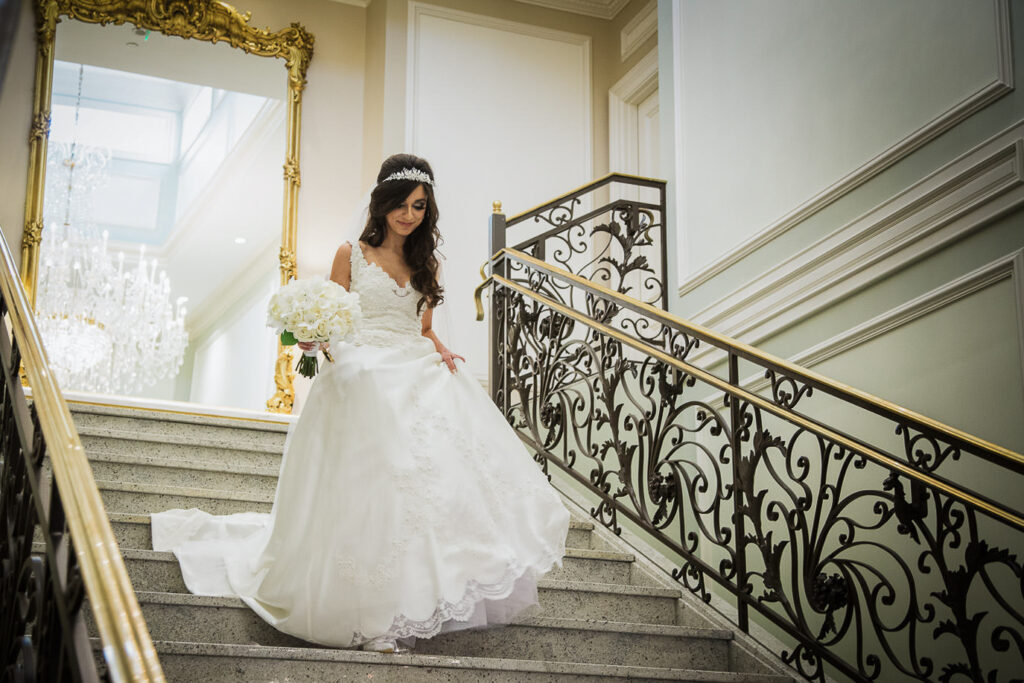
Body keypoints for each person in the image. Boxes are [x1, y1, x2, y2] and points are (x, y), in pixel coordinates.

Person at [151, 153, 570, 653]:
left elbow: (424, 326)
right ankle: (371, 613)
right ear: (382, 203)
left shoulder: (425, 263)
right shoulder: (350, 253)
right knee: (381, 436)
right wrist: (322, 345)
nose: (409, 215)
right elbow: (332, 318)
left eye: (419, 206)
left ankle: (416, 594)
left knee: (435, 467)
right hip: (361, 364)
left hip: (411, 360)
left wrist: (439, 347)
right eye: (401, 204)